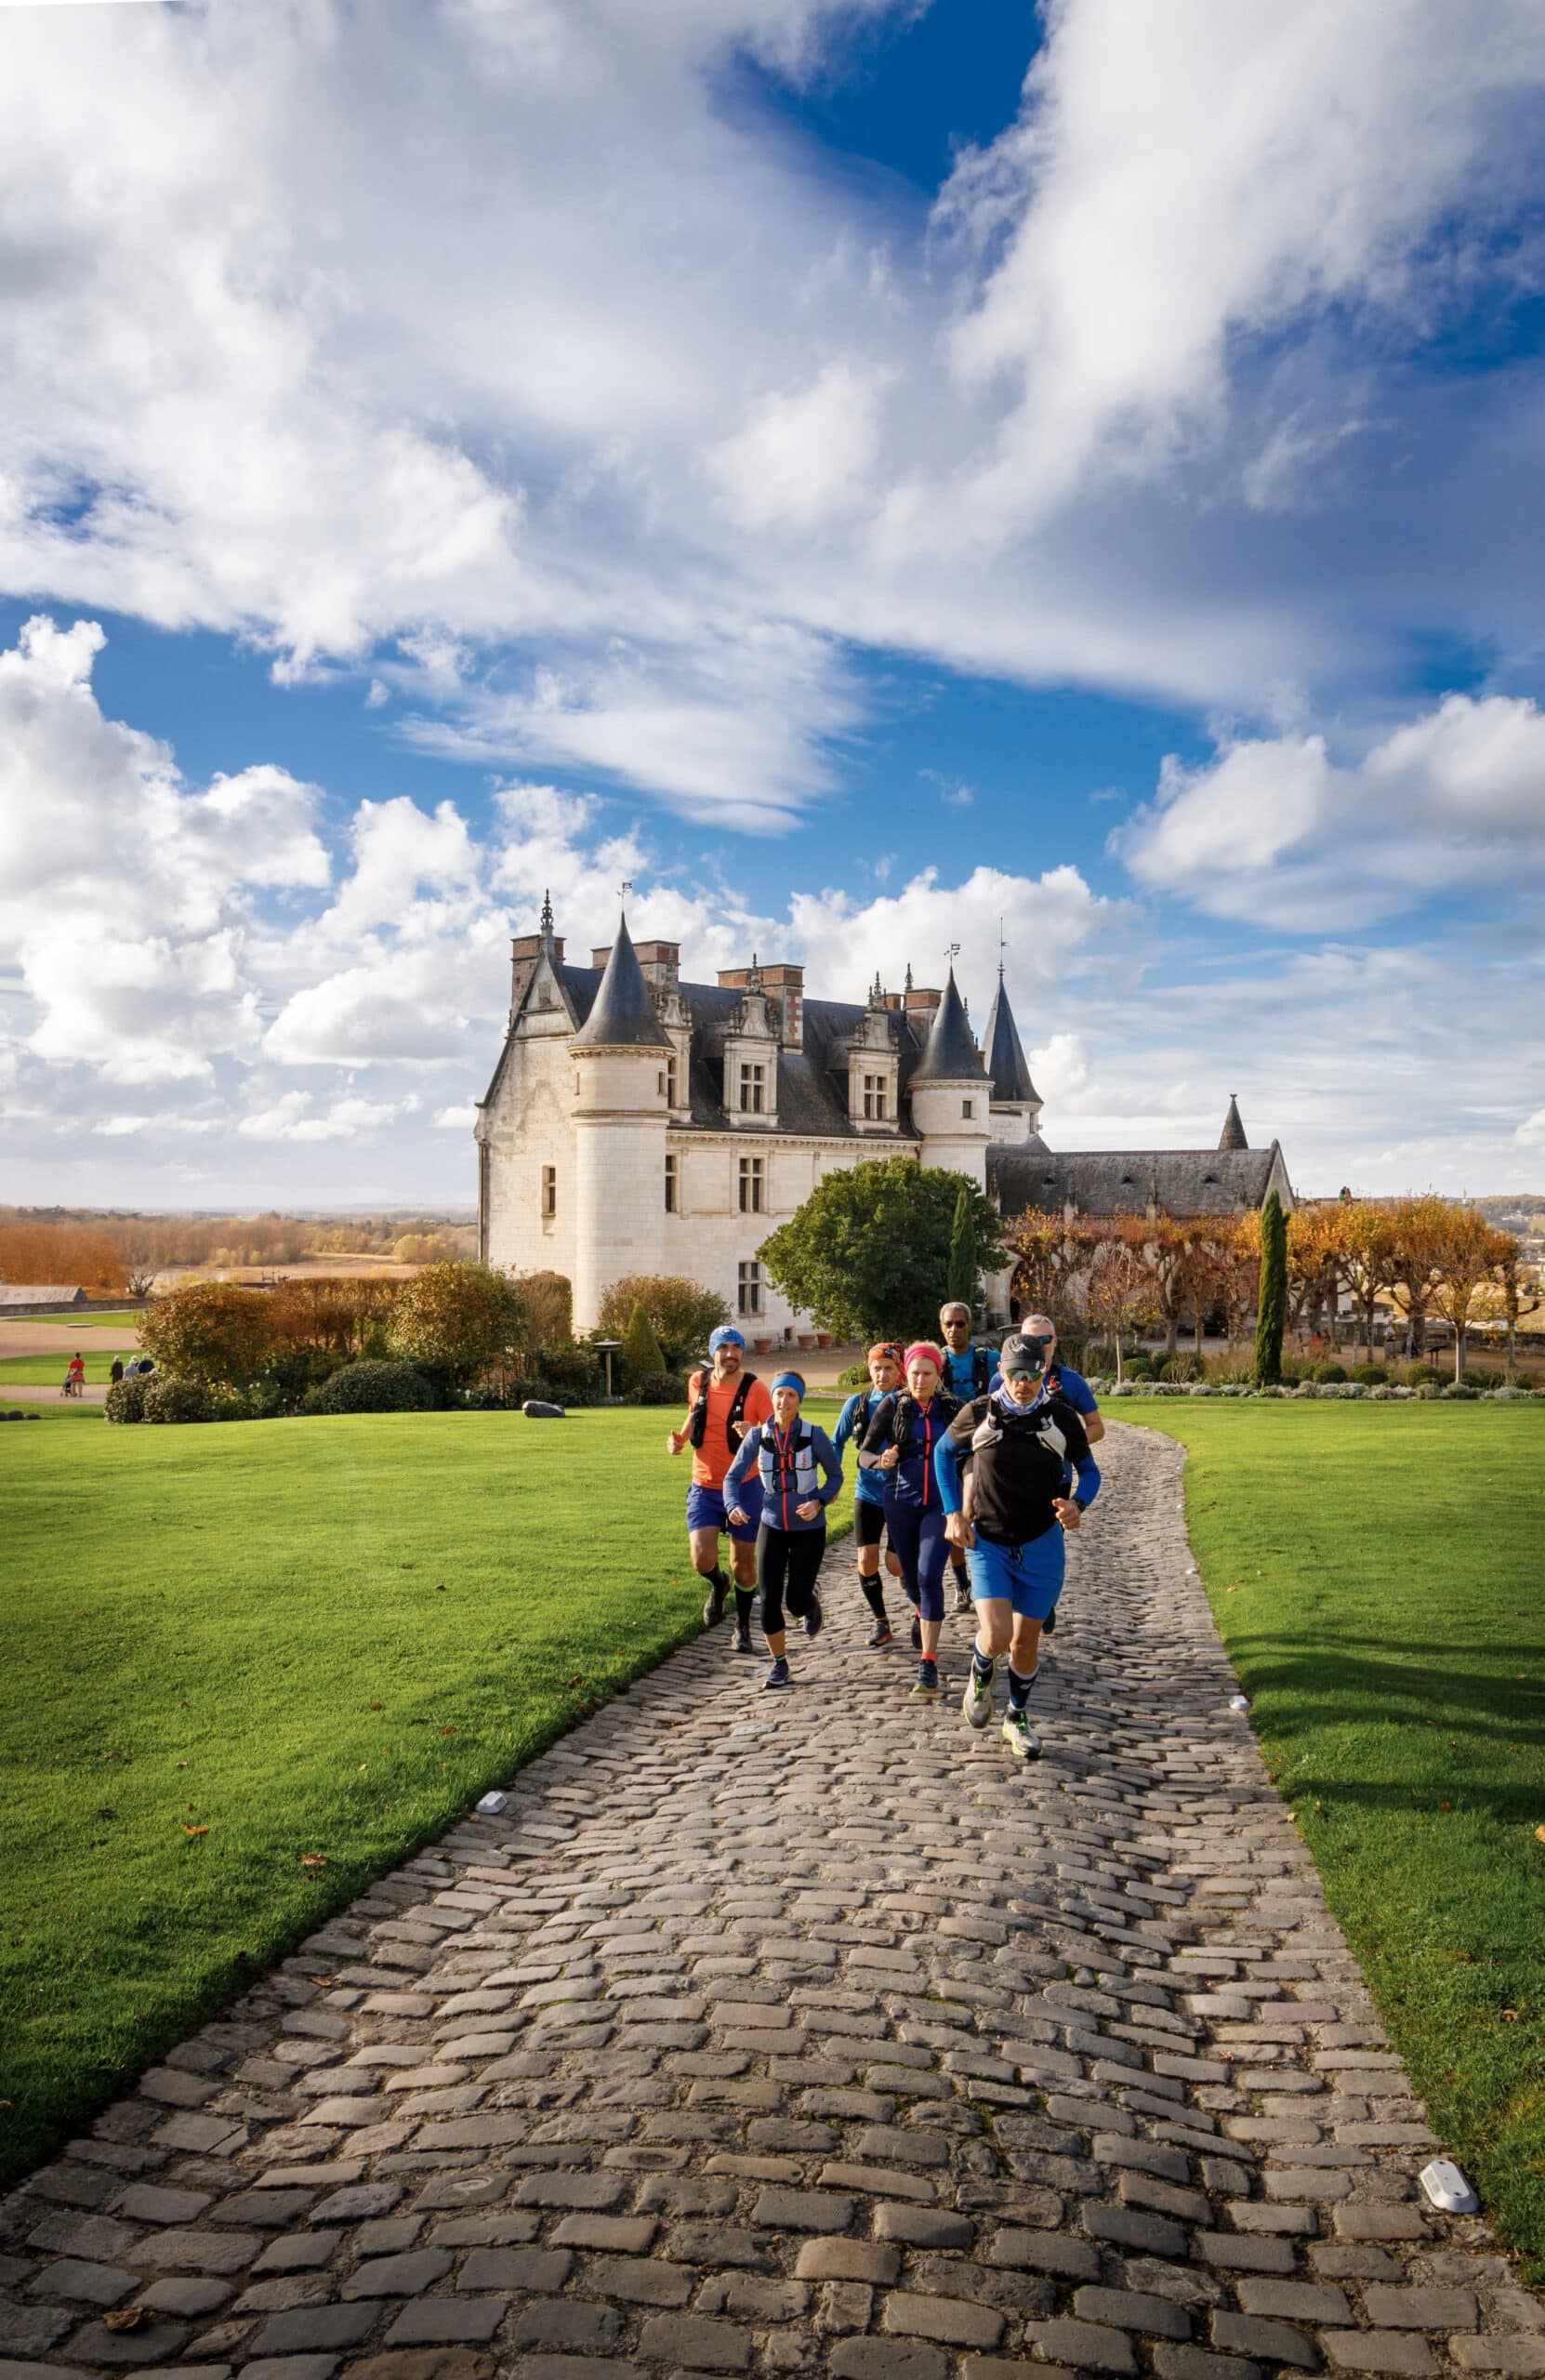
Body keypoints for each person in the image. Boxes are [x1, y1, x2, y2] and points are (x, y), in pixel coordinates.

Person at [936, 1331, 1101, 1762]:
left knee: (1025, 1644)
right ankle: (980, 1671)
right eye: (1014, 1374)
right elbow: (942, 1453)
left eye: (1031, 1374)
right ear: (1001, 1371)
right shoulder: (979, 1412)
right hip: (988, 1540)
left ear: (1044, 1372)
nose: (1023, 1383)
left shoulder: (1061, 1418)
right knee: (996, 1635)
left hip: (1042, 1543)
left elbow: (1090, 1472)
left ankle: (1016, 1716)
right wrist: (953, 1512)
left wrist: (1078, 1504)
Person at [986, 1313, 1103, 1638]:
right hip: (1009, 1482)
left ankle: (1041, 1601)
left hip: (1055, 1481)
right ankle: (1015, 1604)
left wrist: (1064, 1443)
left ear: (1055, 1342)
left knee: (1044, 1547)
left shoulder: (1071, 1382)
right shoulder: (1000, 1381)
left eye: (1045, 1340)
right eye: (1030, 1339)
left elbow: (1096, 1427)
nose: (1038, 1345)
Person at [724, 1371, 844, 1690]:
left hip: (809, 1529)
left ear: (799, 1400)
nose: (784, 1400)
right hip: (771, 1526)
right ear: (772, 1398)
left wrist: (819, 1501)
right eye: (779, 1394)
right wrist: (732, 1505)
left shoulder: (814, 1435)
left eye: (791, 1395)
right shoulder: (756, 1437)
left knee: (795, 1602)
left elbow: (835, 1477)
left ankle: (809, 1603)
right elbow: (731, 1478)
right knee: (769, 1599)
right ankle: (780, 1665)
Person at [859, 1342, 960, 1699]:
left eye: (927, 1374)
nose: (920, 1380)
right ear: (907, 1374)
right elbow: (864, 1454)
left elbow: (975, 1451)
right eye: (915, 1373)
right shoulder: (893, 1405)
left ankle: (928, 1663)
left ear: (938, 1375)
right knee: (909, 1575)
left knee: (929, 1575)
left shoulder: (952, 1408)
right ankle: (920, 1610)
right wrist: (881, 1460)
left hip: (941, 1504)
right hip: (900, 1501)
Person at [667, 1325, 772, 1654]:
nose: (730, 1354)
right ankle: (719, 1583)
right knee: (701, 1559)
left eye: (736, 1348)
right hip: (704, 1486)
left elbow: (777, 1432)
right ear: (713, 1353)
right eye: (723, 1348)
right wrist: (680, 1439)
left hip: (744, 1487)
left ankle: (742, 1627)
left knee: (744, 1564)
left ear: (742, 1352)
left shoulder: (756, 1389)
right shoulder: (698, 1382)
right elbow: (694, 1414)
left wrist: (755, 1430)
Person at [831, 1342, 906, 1646]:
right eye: (877, 1368)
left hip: (902, 1493)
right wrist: (834, 1481)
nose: (882, 1374)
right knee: (865, 1560)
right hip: (868, 1492)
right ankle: (881, 1622)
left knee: (895, 1564)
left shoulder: (907, 1402)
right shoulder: (856, 1404)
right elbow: (835, 1442)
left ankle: (919, 1606)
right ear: (869, 1369)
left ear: (898, 1370)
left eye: (889, 1368)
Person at [938, 1303, 994, 1610]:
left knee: (968, 1510)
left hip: (979, 1450)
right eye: (949, 1324)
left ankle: (987, 1574)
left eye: (960, 1324)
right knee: (952, 1516)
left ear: (969, 1326)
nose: (954, 1330)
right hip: (947, 1449)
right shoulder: (937, 1363)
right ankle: (961, 1581)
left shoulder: (988, 1359)